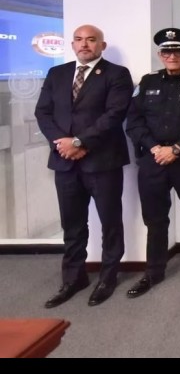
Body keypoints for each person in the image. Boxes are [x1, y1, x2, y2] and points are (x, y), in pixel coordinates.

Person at [35, 25, 133, 308]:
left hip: (103, 161)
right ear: (72, 44)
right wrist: (62, 143)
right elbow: (43, 112)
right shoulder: (57, 73)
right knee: (72, 224)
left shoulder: (117, 74)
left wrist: (79, 142)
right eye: (79, 40)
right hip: (65, 162)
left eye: (91, 40)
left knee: (110, 222)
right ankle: (73, 278)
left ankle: (108, 277)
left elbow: (114, 114)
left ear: (102, 45)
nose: (84, 44)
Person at [125, 28, 180, 298]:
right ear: (160, 54)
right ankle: (154, 271)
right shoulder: (147, 82)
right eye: (167, 51)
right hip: (153, 160)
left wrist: (176, 148)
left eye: (177, 51)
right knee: (155, 219)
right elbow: (134, 122)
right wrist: (155, 148)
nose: (172, 56)